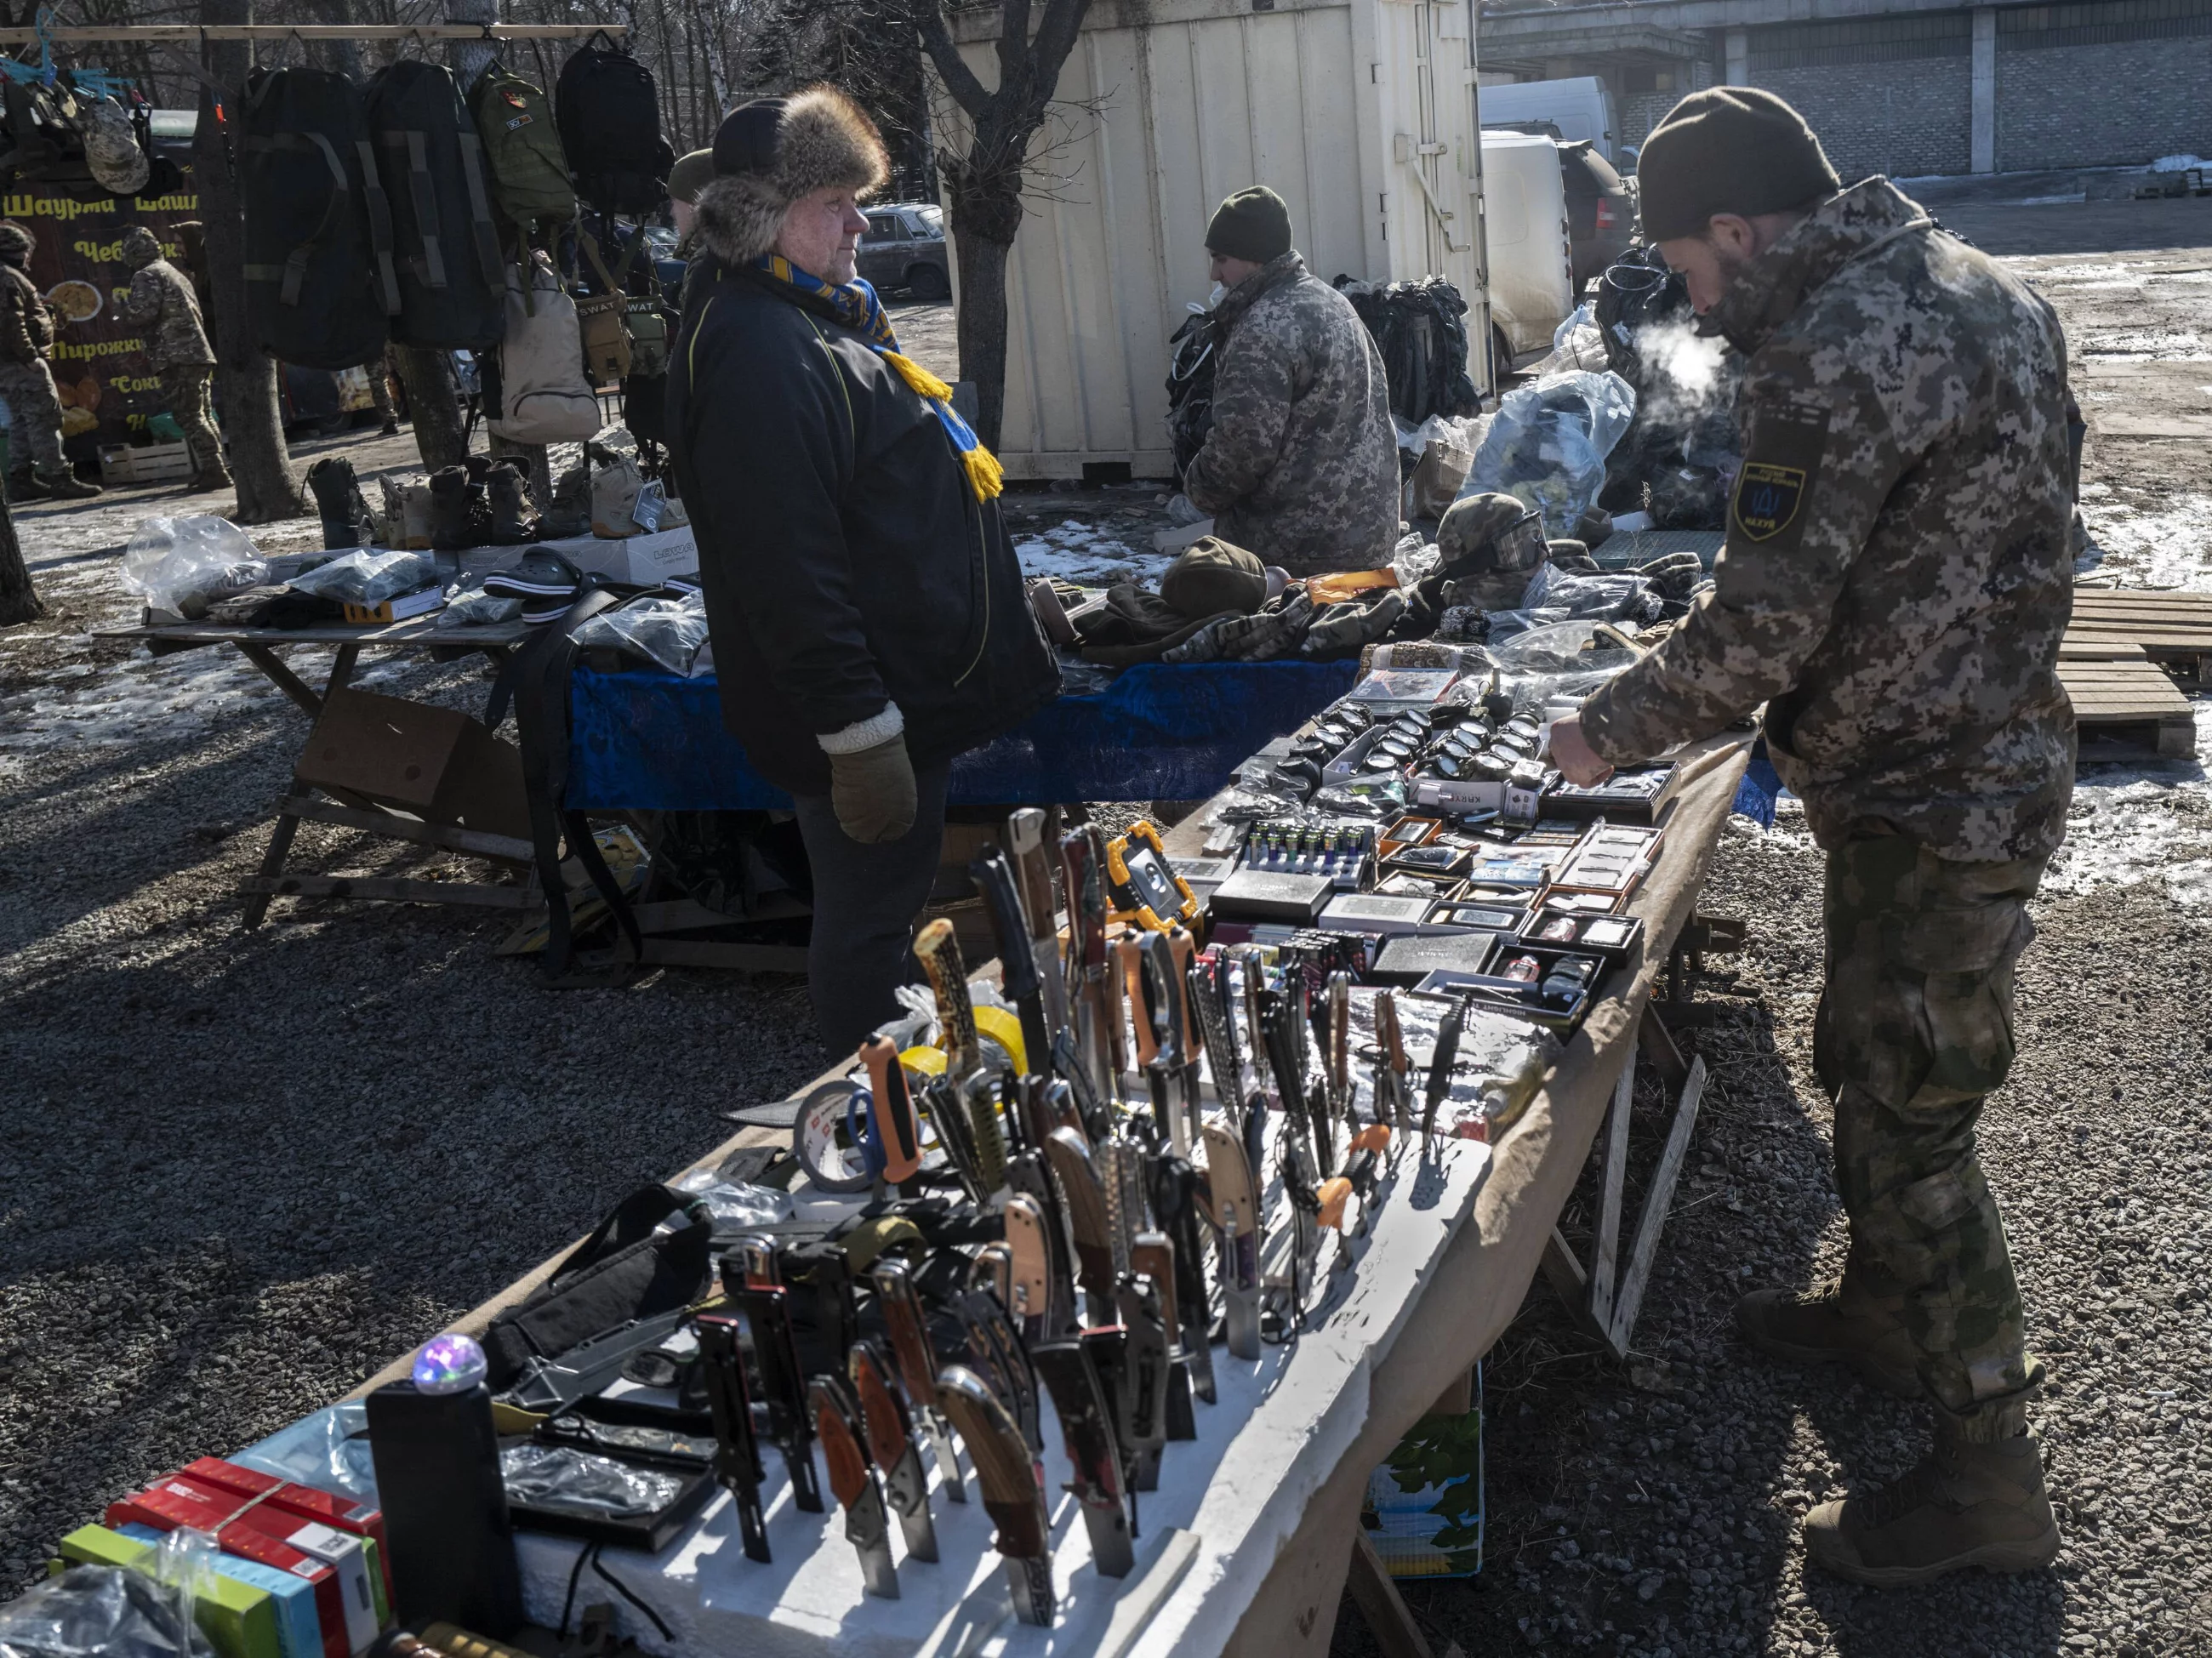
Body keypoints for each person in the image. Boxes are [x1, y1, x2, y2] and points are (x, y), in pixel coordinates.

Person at [1548, 88, 2072, 1587]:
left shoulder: (1836, 343)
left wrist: (1599, 733)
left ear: (1738, 227)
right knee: (1874, 1063)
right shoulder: (1985, 286)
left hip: (1930, 790)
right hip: (1972, 758)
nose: (1699, 302)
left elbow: (1763, 623)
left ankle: (1989, 1481)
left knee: (1913, 1126)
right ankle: (1894, 1316)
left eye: (1696, 270)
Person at [670, 88, 1058, 1056]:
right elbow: (785, 565)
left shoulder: (807, 313)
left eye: (858, 197)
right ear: (764, 213)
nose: (859, 220)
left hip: (897, 688)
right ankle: (873, 1122)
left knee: (882, 909)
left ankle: (896, 1104)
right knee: (869, 925)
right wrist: (856, 730)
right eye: (834, 200)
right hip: (865, 711)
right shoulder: (761, 345)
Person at [1179, 185, 1399, 576]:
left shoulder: (1264, 327)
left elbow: (1241, 452)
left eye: (1221, 259)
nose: (1215, 274)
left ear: (1254, 257)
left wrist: (1196, 488)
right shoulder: (1333, 303)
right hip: (1367, 536)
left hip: (1297, 551)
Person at [117, 225, 228, 493]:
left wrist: (123, 310)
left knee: (189, 415)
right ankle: (216, 466)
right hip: (196, 353)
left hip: (176, 356)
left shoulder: (146, 276)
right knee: (202, 414)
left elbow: (144, 314)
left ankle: (215, 470)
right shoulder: (173, 272)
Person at [0, 221, 99, 500]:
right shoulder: (7, 277)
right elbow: (10, 322)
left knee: (21, 420)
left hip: (9, 365)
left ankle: (21, 477)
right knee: (44, 418)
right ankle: (59, 477)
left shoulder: (8, 276)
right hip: (21, 364)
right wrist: (29, 356)